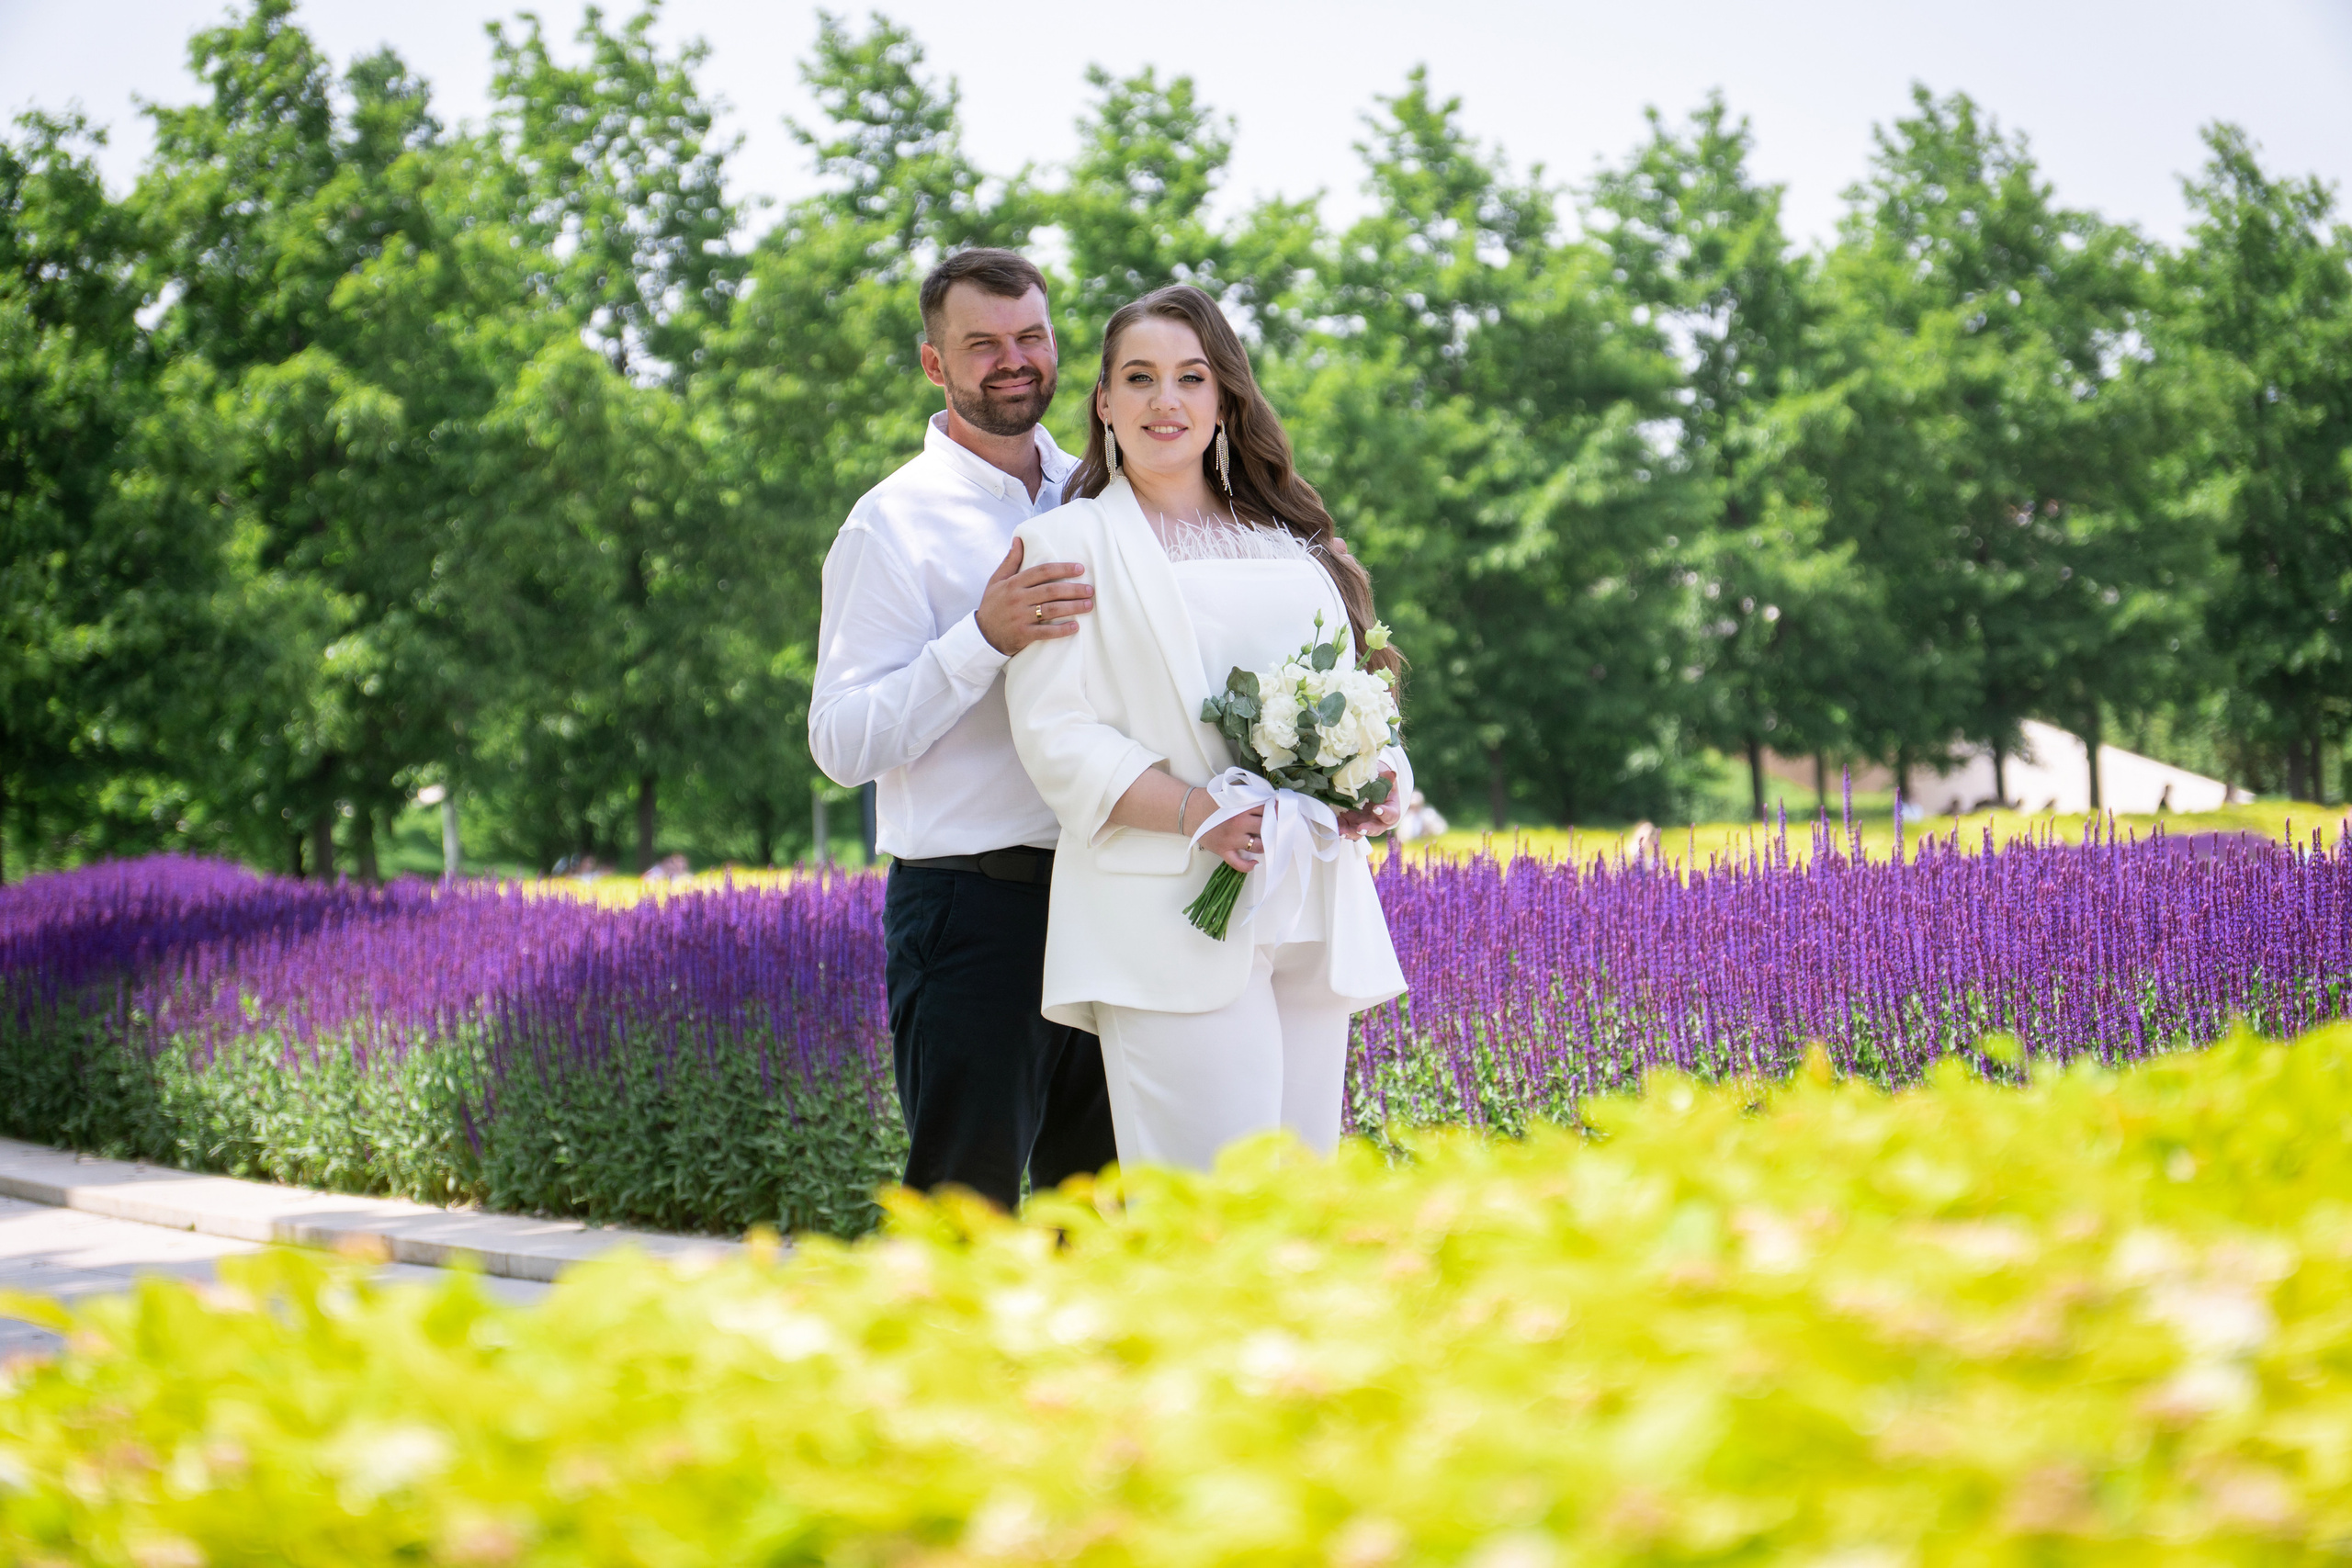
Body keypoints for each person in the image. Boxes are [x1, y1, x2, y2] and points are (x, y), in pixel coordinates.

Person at [1002, 284, 1409, 1172]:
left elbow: (1355, 696)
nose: (1166, 400)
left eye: (1190, 377)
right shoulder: (1067, 541)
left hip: (1306, 899)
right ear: (1104, 403)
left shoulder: (1291, 544)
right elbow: (1055, 731)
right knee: (1210, 1202)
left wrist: (1379, 785)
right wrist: (1197, 811)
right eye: (1139, 379)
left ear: (1223, 398)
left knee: (1300, 1193)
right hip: (1165, 912)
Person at [809, 248, 1117, 1210]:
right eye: (980, 344)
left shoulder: (1109, 498)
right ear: (934, 365)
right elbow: (841, 743)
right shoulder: (889, 525)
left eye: (1030, 336)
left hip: (1114, 895)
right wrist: (980, 639)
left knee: (1105, 1209)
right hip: (971, 912)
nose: (1012, 360)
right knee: (963, 1213)